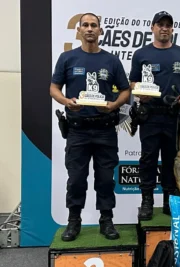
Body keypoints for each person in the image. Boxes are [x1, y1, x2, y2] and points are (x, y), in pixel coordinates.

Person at [50, 12, 131, 241]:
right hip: (77, 130)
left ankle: (107, 220)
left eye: (93, 25)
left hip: (105, 129)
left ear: (100, 30)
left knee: (105, 179)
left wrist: (114, 105)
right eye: (84, 25)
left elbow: (125, 91)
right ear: (78, 30)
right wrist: (66, 102)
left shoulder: (112, 61)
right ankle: (73, 221)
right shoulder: (67, 58)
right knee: (76, 178)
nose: (89, 29)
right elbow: (54, 88)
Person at [129, 11, 180, 221]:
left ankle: (170, 199)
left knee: (172, 160)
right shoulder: (141, 54)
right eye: (160, 25)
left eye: (168, 25)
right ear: (152, 27)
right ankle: (147, 201)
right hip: (150, 116)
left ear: (172, 29)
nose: (164, 28)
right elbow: (132, 82)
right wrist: (139, 91)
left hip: (173, 117)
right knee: (148, 159)